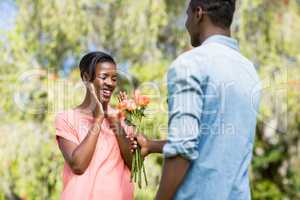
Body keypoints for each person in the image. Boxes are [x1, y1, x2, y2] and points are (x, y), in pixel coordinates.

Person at [131, 0, 261, 199]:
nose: (185, 23)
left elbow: (182, 150)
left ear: (198, 13)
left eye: (187, 15)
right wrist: (152, 145)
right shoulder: (248, 70)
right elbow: (214, 141)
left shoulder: (190, 64)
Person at [54, 52, 134, 200]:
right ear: (85, 78)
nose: (110, 83)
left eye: (114, 78)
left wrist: (116, 122)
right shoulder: (66, 118)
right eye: (104, 77)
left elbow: (134, 166)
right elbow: (78, 165)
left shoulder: (121, 118)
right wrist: (98, 119)